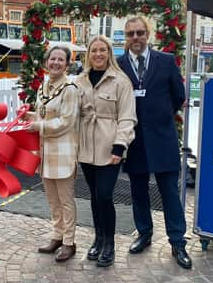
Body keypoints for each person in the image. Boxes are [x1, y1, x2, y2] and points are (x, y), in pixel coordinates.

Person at [117, 15, 192, 269]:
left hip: (163, 138)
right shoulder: (119, 65)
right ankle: (144, 233)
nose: (135, 38)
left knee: (169, 192)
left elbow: (178, 96)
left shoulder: (166, 61)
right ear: (126, 38)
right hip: (135, 141)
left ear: (147, 34)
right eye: (130, 34)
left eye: (139, 33)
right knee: (138, 192)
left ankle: (177, 241)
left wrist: (158, 118)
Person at [75, 36, 136, 267]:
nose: (98, 54)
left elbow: (127, 116)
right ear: (88, 54)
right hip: (85, 146)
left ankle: (109, 242)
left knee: (104, 194)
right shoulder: (80, 80)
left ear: (109, 53)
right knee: (93, 195)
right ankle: (98, 238)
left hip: (109, 147)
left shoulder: (121, 81)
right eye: (94, 50)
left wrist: (120, 145)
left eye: (102, 50)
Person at [25, 45, 80, 262]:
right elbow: (43, 114)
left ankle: (69, 241)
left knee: (66, 199)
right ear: (47, 62)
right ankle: (57, 235)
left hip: (63, 152)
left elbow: (66, 122)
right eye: (52, 59)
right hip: (45, 153)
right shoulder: (43, 86)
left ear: (67, 64)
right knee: (52, 199)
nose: (55, 63)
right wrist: (29, 116)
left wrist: (39, 127)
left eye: (60, 59)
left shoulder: (70, 89)